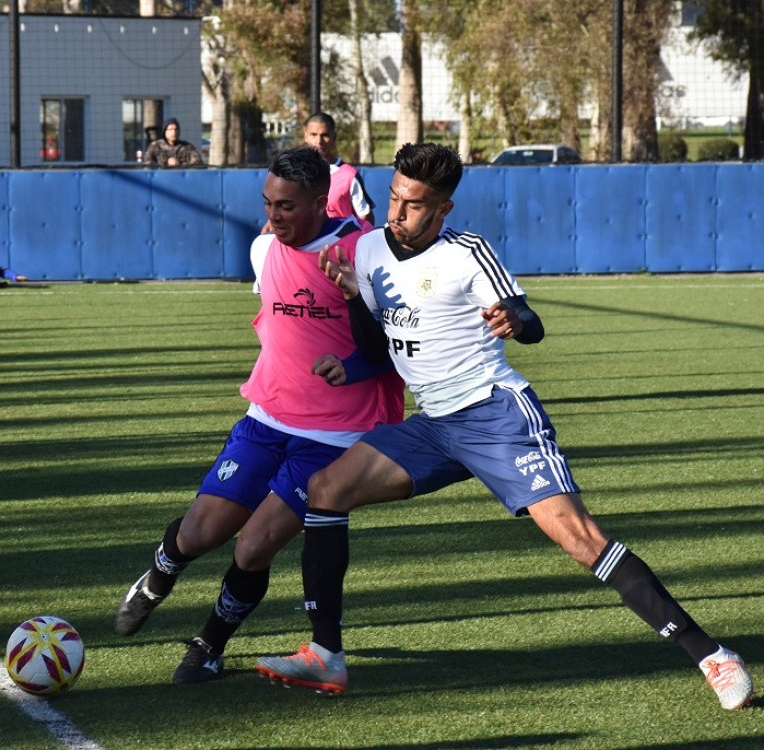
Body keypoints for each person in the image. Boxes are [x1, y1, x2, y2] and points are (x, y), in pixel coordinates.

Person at [255, 142, 755, 712]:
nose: (397, 213)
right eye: (394, 197)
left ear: (442, 209)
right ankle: (326, 654)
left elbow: (528, 319)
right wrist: (351, 312)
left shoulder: (468, 252)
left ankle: (712, 655)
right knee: (325, 490)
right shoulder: (368, 251)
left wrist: (514, 319)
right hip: (433, 425)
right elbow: (379, 345)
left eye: (414, 205)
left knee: (580, 539)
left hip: (494, 415)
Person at [114, 146, 407, 684]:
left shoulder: (362, 254)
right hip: (266, 420)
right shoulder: (262, 249)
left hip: (334, 438)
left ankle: (207, 645)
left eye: (287, 206)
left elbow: (395, 345)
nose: (274, 216)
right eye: (268, 203)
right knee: (201, 532)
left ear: (321, 203)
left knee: (253, 546)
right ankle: (162, 571)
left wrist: (352, 349)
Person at [262, 113, 374, 234]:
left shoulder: (348, 175)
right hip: (305, 243)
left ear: (334, 136)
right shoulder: (294, 173)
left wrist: (353, 241)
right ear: (305, 136)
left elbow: (366, 216)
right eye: (313, 135)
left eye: (325, 135)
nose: (319, 141)